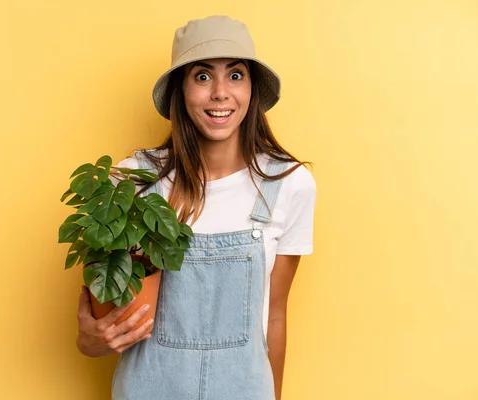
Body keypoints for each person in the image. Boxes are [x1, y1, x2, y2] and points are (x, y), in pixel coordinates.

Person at [75, 15, 317, 400]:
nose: (220, 92)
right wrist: (93, 340)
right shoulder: (131, 181)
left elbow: (274, 316)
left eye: (235, 75)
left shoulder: (288, 184)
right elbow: (95, 328)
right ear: (181, 90)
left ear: (252, 89)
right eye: (202, 76)